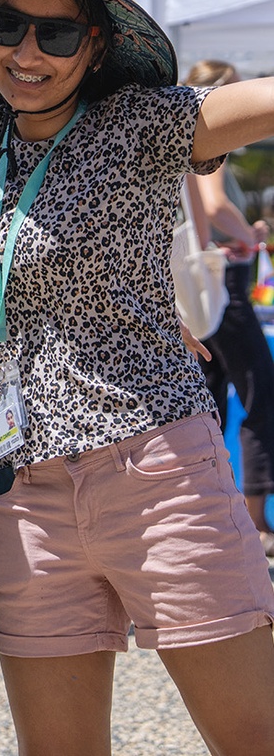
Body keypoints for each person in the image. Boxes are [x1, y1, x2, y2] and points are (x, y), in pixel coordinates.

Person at [0, 0, 274, 756]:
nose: (27, 53)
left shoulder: (145, 123)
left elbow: (258, 102)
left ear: (97, 47)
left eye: (57, 33)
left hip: (154, 471)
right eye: (9, 26)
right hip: (21, 493)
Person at [184, 59, 274, 554]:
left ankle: (213, 514)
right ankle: (255, 519)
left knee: (210, 403)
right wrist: (251, 236)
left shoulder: (186, 135)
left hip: (207, 286)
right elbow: (214, 205)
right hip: (221, 286)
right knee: (261, 393)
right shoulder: (207, 132)